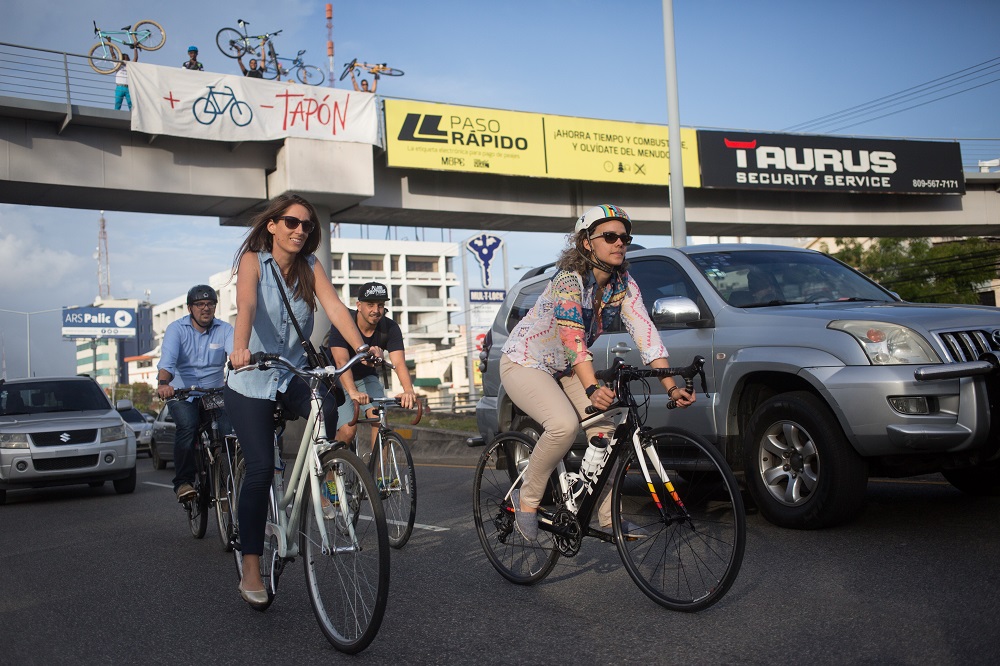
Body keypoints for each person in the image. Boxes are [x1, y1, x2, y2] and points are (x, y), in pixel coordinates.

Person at [499, 204, 695, 541]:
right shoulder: (568, 280)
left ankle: (608, 519)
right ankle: (527, 500)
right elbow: (573, 336)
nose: (620, 243)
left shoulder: (622, 283)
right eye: (610, 236)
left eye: (625, 237)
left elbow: (645, 332)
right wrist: (591, 388)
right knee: (562, 426)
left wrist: (671, 385)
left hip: (565, 367)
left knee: (608, 435)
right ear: (586, 242)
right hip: (525, 362)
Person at [224, 193, 368, 609]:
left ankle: (311, 479)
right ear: (272, 225)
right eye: (291, 222)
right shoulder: (254, 261)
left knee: (327, 407)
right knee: (259, 469)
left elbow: (337, 309)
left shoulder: (310, 267)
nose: (300, 230)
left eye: (306, 226)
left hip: (290, 373)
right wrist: (239, 349)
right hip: (250, 377)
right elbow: (246, 305)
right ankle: (251, 564)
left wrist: (364, 347)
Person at [156, 285, 234, 502]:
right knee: (188, 426)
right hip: (182, 392)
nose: (205, 308)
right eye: (200, 304)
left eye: (210, 304)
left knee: (228, 433)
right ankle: (183, 483)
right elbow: (168, 362)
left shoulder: (225, 329)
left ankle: (229, 483)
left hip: (215, 391)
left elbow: (234, 355)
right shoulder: (176, 329)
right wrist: (164, 383)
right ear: (190, 308)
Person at [323, 281, 418, 450]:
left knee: (380, 421)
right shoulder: (343, 322)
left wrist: (408, 390)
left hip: (367, 376)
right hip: (340, 378)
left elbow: (399, 363)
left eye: (380, 305)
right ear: (359, 305)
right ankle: (331, 475)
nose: (376, 310)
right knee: (348, 430)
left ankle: (379, 475)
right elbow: (341, 361)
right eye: (370, 305)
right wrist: (352, 391)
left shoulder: (390, 328)